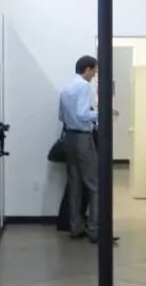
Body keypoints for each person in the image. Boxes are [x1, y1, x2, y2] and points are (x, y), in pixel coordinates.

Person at [58, 55, 119, 244]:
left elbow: (61, 116)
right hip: (83, 139)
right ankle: (95, 229)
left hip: (69, 138)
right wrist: (104, 112)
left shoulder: (67, 86)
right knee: (96, 184)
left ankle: (76, 227)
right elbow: (83, 114)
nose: (95, 74)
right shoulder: (84, 86)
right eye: (95, 70)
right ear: (88, 69)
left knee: (75, 185)